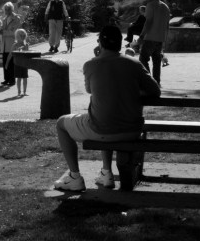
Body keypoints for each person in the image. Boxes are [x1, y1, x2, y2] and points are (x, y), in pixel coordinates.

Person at [53, 26, 160, 191]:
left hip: (103, 129)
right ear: (120, 44)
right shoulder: (134, 64)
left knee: (62, 123)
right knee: (103, 115)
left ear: (100, 43)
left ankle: (74, 177)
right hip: (132, 130)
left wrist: (98, 57)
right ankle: (106, 172)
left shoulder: (91, 65)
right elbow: (155, 91)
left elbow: (89, 90)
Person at [139, 0, 171, 85]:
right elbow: (167, 25)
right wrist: (165, 39)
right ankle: (157, 82)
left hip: (150, 37)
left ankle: (149, 82)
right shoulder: (166, 7)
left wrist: (141, 36)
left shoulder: (151, 5)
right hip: (160, 39)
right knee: (156, 62)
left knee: (143, 59)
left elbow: (148, 22)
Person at [0, 2, 22, 86]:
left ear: (12, 9)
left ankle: (12, 80)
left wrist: (2, 32)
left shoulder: (16, 18)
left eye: (8, 9)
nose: (7, 10)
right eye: (5, 9)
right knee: (5, 61)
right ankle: (6, 79)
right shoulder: (5, 18)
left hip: (12, 42)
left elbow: (14, 32)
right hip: (5, 43)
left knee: (11, 62)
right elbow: (3, 28)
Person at [5, 28, 29, 96]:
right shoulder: (15, 45)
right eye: (20, 35)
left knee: (25, 78)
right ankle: (19, 91)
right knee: (19, 78)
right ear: (17, 37)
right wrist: (7, 63)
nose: (22, 36)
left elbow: (28, 54)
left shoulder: (26, 45)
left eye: (23, 35)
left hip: (24, 64)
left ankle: (24, 92)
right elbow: (10, 55)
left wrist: (23, 49)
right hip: (17, 64)